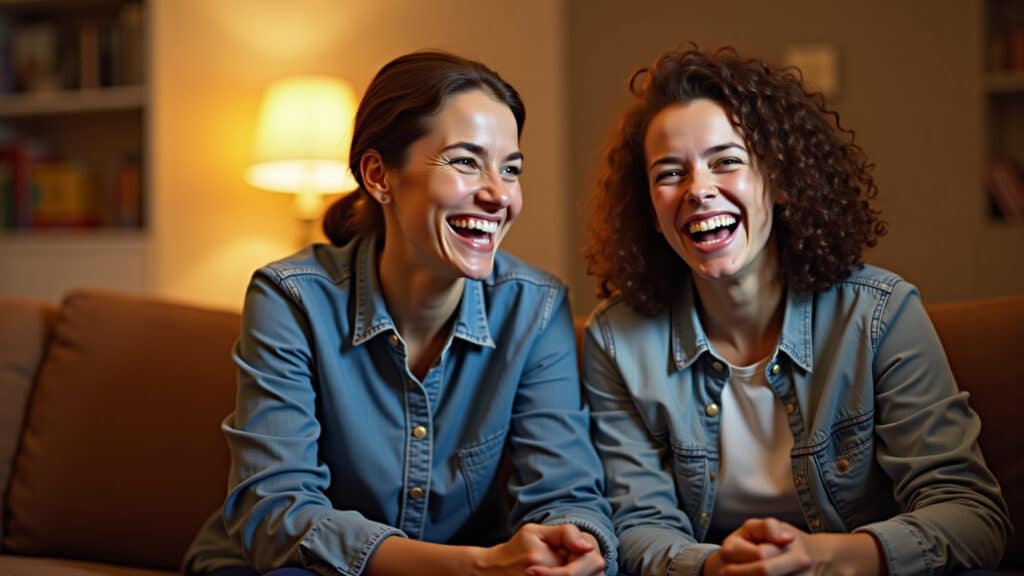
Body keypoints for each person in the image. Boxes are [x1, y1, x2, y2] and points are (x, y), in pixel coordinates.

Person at [183, 50, 616, 576]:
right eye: (465, 161)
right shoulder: (290, 298)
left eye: (511, 169)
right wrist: (476, 566)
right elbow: (276, 514)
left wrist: (578, 542)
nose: (498, 194)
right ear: (378, 175)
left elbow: (564, 491)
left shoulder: (536, 308)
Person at [582, 45, 1011, 576]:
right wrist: (719, 568)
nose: (698, 190)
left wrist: (821, 558)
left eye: (726, 162)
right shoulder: (616, 340)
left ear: (780, 181)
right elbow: (638, 522)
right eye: (670, 173)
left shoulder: (880, 315)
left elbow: (972, 515)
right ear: (649, 207)